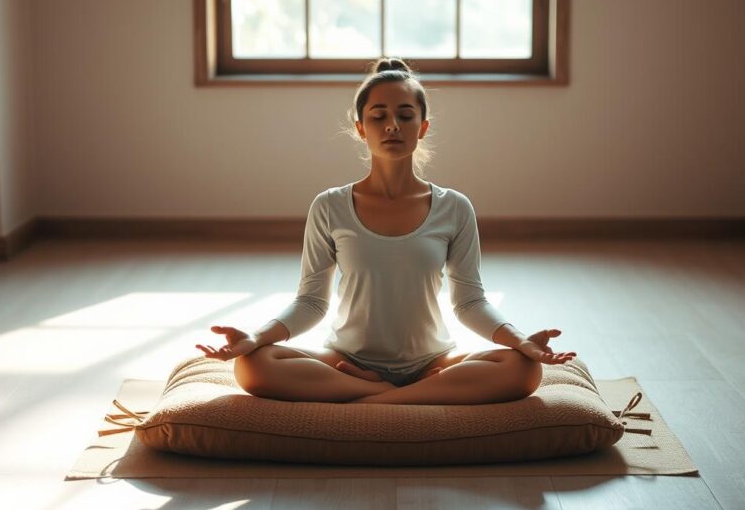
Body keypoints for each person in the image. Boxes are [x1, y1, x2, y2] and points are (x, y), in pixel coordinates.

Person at [196, 57, 576, 405]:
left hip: (433, 360)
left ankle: (373, 400)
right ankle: (398, 395)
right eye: (378, 116)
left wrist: (522, 341)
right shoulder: (329, 206)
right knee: (253, 365)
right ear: (361, 129)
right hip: (346, 359)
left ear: (422, 127)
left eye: (405, 115)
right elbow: (311, 302)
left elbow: (470, 302)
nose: (392, 125)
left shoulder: (454, 207)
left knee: (524, 369)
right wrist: (256, 338)